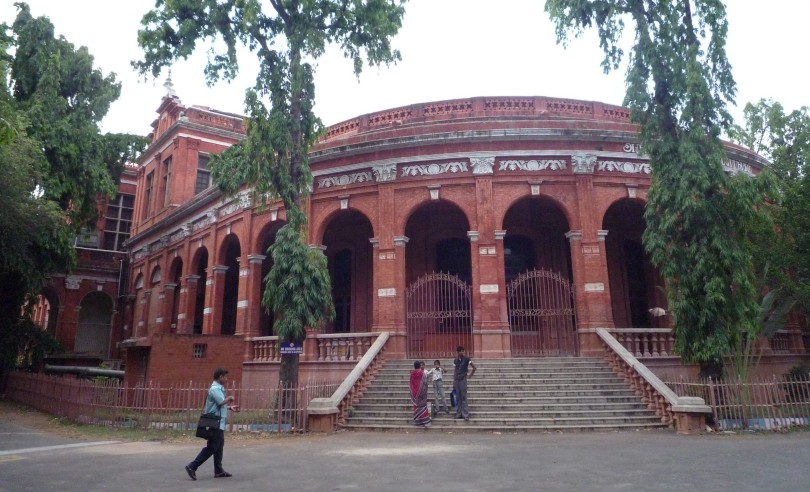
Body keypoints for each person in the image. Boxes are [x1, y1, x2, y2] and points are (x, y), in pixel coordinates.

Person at [185, 368, 240, 480]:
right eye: (225, 377)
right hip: (215, 423)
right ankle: (192, 466)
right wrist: (229, 398)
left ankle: (218, 470)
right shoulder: (214, 389)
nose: (226, 379)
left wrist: (229, 407)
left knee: (219, 447)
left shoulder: (219, 389)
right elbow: (220, 402)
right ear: (220, 377)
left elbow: (218, 405)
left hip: (219, 423)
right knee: (212, 447)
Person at [453, 346, 476, 421]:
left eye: (463, 351)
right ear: (458, 352)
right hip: (457, 380)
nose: (462, 352)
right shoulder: (455, 360)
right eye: (461, 351)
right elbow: (455, 371)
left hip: (463, 380)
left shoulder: (467, 359)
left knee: (463, 397)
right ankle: (459, 413)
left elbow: (474, 367)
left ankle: (466, 414)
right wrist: (454, 381)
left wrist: (469, 376)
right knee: (458, 397)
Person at [409, 360, 431, 428]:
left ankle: (417, 422)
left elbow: (410, 383)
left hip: (414, 393)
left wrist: (412, 392)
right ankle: (425, 422)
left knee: (416, 407)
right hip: (421, 392)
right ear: (419, 366)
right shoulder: (422, 373)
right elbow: (425, 383)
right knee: (423, 407)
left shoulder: (412, 373)